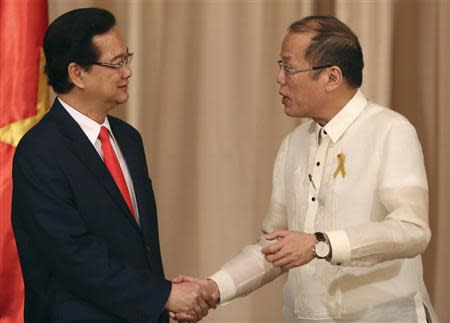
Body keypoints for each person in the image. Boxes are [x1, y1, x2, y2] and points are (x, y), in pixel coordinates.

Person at [174, 16, 439, 323]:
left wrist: (321, 244)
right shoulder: (293, 145)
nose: (279, 78)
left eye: (289, 68)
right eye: (279, 66)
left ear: (332, 77)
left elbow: (412, 230)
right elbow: (276, 247)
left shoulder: (390, 130)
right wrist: (215, 287)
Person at [11, 8, 209, 323]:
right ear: (77, 74)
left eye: (126, 58)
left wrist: (159, 306)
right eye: (116, 63)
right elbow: (73, 257)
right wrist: (163, 295)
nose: (128, 72)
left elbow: (137, 246)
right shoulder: (39, 151)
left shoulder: (128, 139)